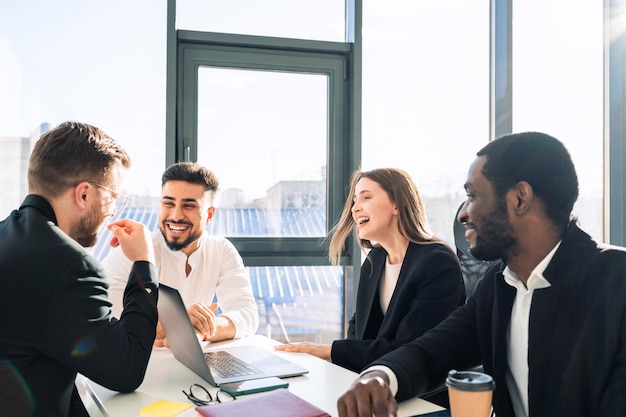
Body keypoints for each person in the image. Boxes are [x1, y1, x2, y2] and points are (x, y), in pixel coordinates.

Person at [336, 132, 626, 417]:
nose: (463, 214)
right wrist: (378, 377)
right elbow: (430, 352)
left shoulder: (616, 282)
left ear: (520, 199)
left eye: (473, 196)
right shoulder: (497, 286)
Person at [0, 121, 159, 416]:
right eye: (114, 197)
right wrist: (143, 263)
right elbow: (127, 371)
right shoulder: (69, 267)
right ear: (84, 194)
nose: (114, 210)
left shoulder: (6, 235)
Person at [275, 168, 465, 373]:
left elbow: (410, 349)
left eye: (366, 197)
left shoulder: (436, 263)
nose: (355, 209)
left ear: (397, 204)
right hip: (377, 378)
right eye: (355, 201)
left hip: (421, 391)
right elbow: (358, 332)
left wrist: (328, 351)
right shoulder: (375, 261)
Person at [102, 162, 258, 345]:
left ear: (209, 214)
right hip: (133, 368)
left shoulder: (221, 250)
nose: (176, 216)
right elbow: (109, 322)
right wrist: (179, 325)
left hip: (190, 364)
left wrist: (204, 328)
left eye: (189, 206)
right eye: (168, 203)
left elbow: (247, 314)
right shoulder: (129, 250)